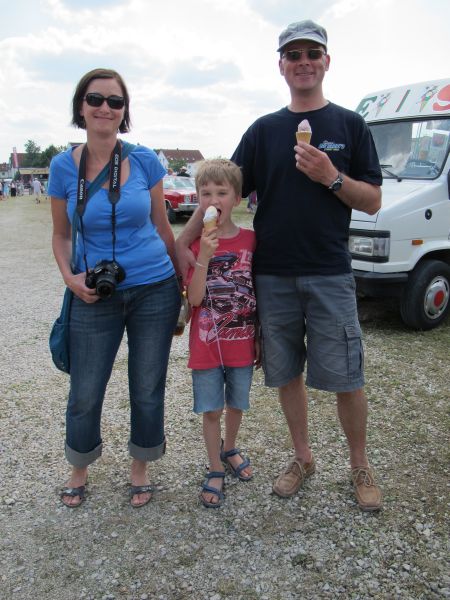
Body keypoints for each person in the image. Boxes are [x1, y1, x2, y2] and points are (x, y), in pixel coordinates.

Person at [176, 20, 383, 511]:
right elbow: (220, 194)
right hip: (271, 275)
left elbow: (373, 200)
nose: (303, 62)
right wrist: (182, 244)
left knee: (347, 375)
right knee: (287, 372)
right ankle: (302, 457)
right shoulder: (264, 130)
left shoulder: (350, 125)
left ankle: (360, 465)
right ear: (282, 66)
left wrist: (332, 177)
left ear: (327, 61)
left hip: (329, 270)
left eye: (312, 53)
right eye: (294, 55)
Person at [48, 68, 181, 508]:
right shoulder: (63, 167)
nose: (105, 107)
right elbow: (61, 235)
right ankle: (79, 467)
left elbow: (162, 227)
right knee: (85, 389)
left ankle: (140, 466)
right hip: (92, 291)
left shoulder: (145, 161)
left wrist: (183, 282)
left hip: (154, 288)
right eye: (95, 99)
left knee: (147, 385)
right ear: (80, 107)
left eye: (115, 101)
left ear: (125, 111)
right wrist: (70, 277)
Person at [186, 159, 258, 508]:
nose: (213, 200)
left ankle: (229, 448)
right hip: (206, 346)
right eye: (205, 193)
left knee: (236, 403)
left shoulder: (251, 240)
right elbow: (195, 298)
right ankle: (215, 465)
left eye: (221, 192)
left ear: (237, 198)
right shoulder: (195, 245)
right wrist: (204, 255)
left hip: (242, 342)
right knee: (211, 409)